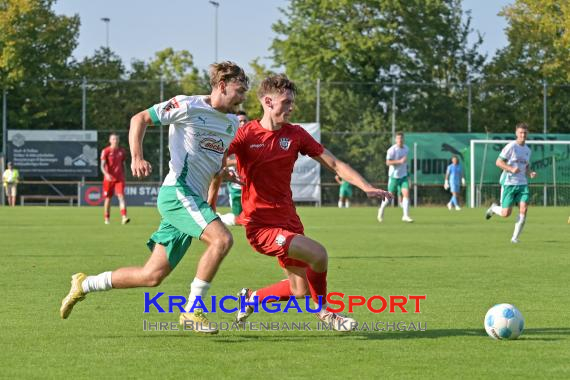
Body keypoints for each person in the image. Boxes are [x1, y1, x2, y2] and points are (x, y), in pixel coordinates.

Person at [60, 61, 249, 335]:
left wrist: (224, 176)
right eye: (239, 90)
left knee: (152, 276)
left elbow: (214, 165)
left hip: (192, 199)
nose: (243, 97)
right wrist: (136, 156)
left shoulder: (232, 123)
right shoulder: (187, 105)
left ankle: (84, 284)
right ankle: (192, 309)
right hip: (177, 193)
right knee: (222, 239)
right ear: (222, 86)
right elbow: (140, 119)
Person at [228, 74, 391, 331]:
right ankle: (326, 313)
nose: (291, 107)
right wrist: (219, 170)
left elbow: (334, 163)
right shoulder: (245, 135)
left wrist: (365, 186)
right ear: (268, 102)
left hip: (288, 220)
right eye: (286, 102)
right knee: (319, 254)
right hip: (260, 226)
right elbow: (212, 158)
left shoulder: (296, 135)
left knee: (299, 289)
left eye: (292, 102)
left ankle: (250, 299)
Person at [485, 123, 537, 243]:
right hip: (509, 183)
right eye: (520, 132)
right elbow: (498, 162)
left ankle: (515, 238)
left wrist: (530, 173)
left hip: (522, 184)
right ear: (516, 133)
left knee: (523, 209)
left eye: (525, 133)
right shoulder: (511, 147)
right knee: (505, 213)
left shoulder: (528, 150)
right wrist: (511, 168)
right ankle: (493, 208)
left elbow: (526, 166)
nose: (523, 135)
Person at [217, 111, 248, 226]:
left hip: (251, 186)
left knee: (254, 218)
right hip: (236, 187)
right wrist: (237, 162)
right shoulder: (228, 139)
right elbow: (221, 160)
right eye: (240, 121)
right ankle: (219, 218)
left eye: (245, 120)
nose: (243, 123)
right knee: (239, 220)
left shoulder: (253, 139)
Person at [377, 132, 413, 223]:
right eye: (398, 138)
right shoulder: (392, 150)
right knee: (389, 197)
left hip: (403, 176)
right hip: (394, 176)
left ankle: (405, 215)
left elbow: (405, 164)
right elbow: (388, 162)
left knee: (406, 193)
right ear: (396, 140)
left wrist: (408, 176)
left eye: (401, 138)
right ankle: (381, 209)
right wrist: (399, 161)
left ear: (403, 139)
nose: (400, 140)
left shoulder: (406, 149)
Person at [101, 133, 130, 224]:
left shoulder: (122, 151)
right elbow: (102, 165)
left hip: (119, 178)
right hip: (109, 179)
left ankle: (124, 217)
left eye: (116, 139)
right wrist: (106, 174)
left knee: (121, 196)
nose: (115, 141)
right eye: (113, 139)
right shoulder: (106, 151)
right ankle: (107, 218)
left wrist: (125, 175)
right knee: (108, 198)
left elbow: (123, 164)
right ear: (110, 140)